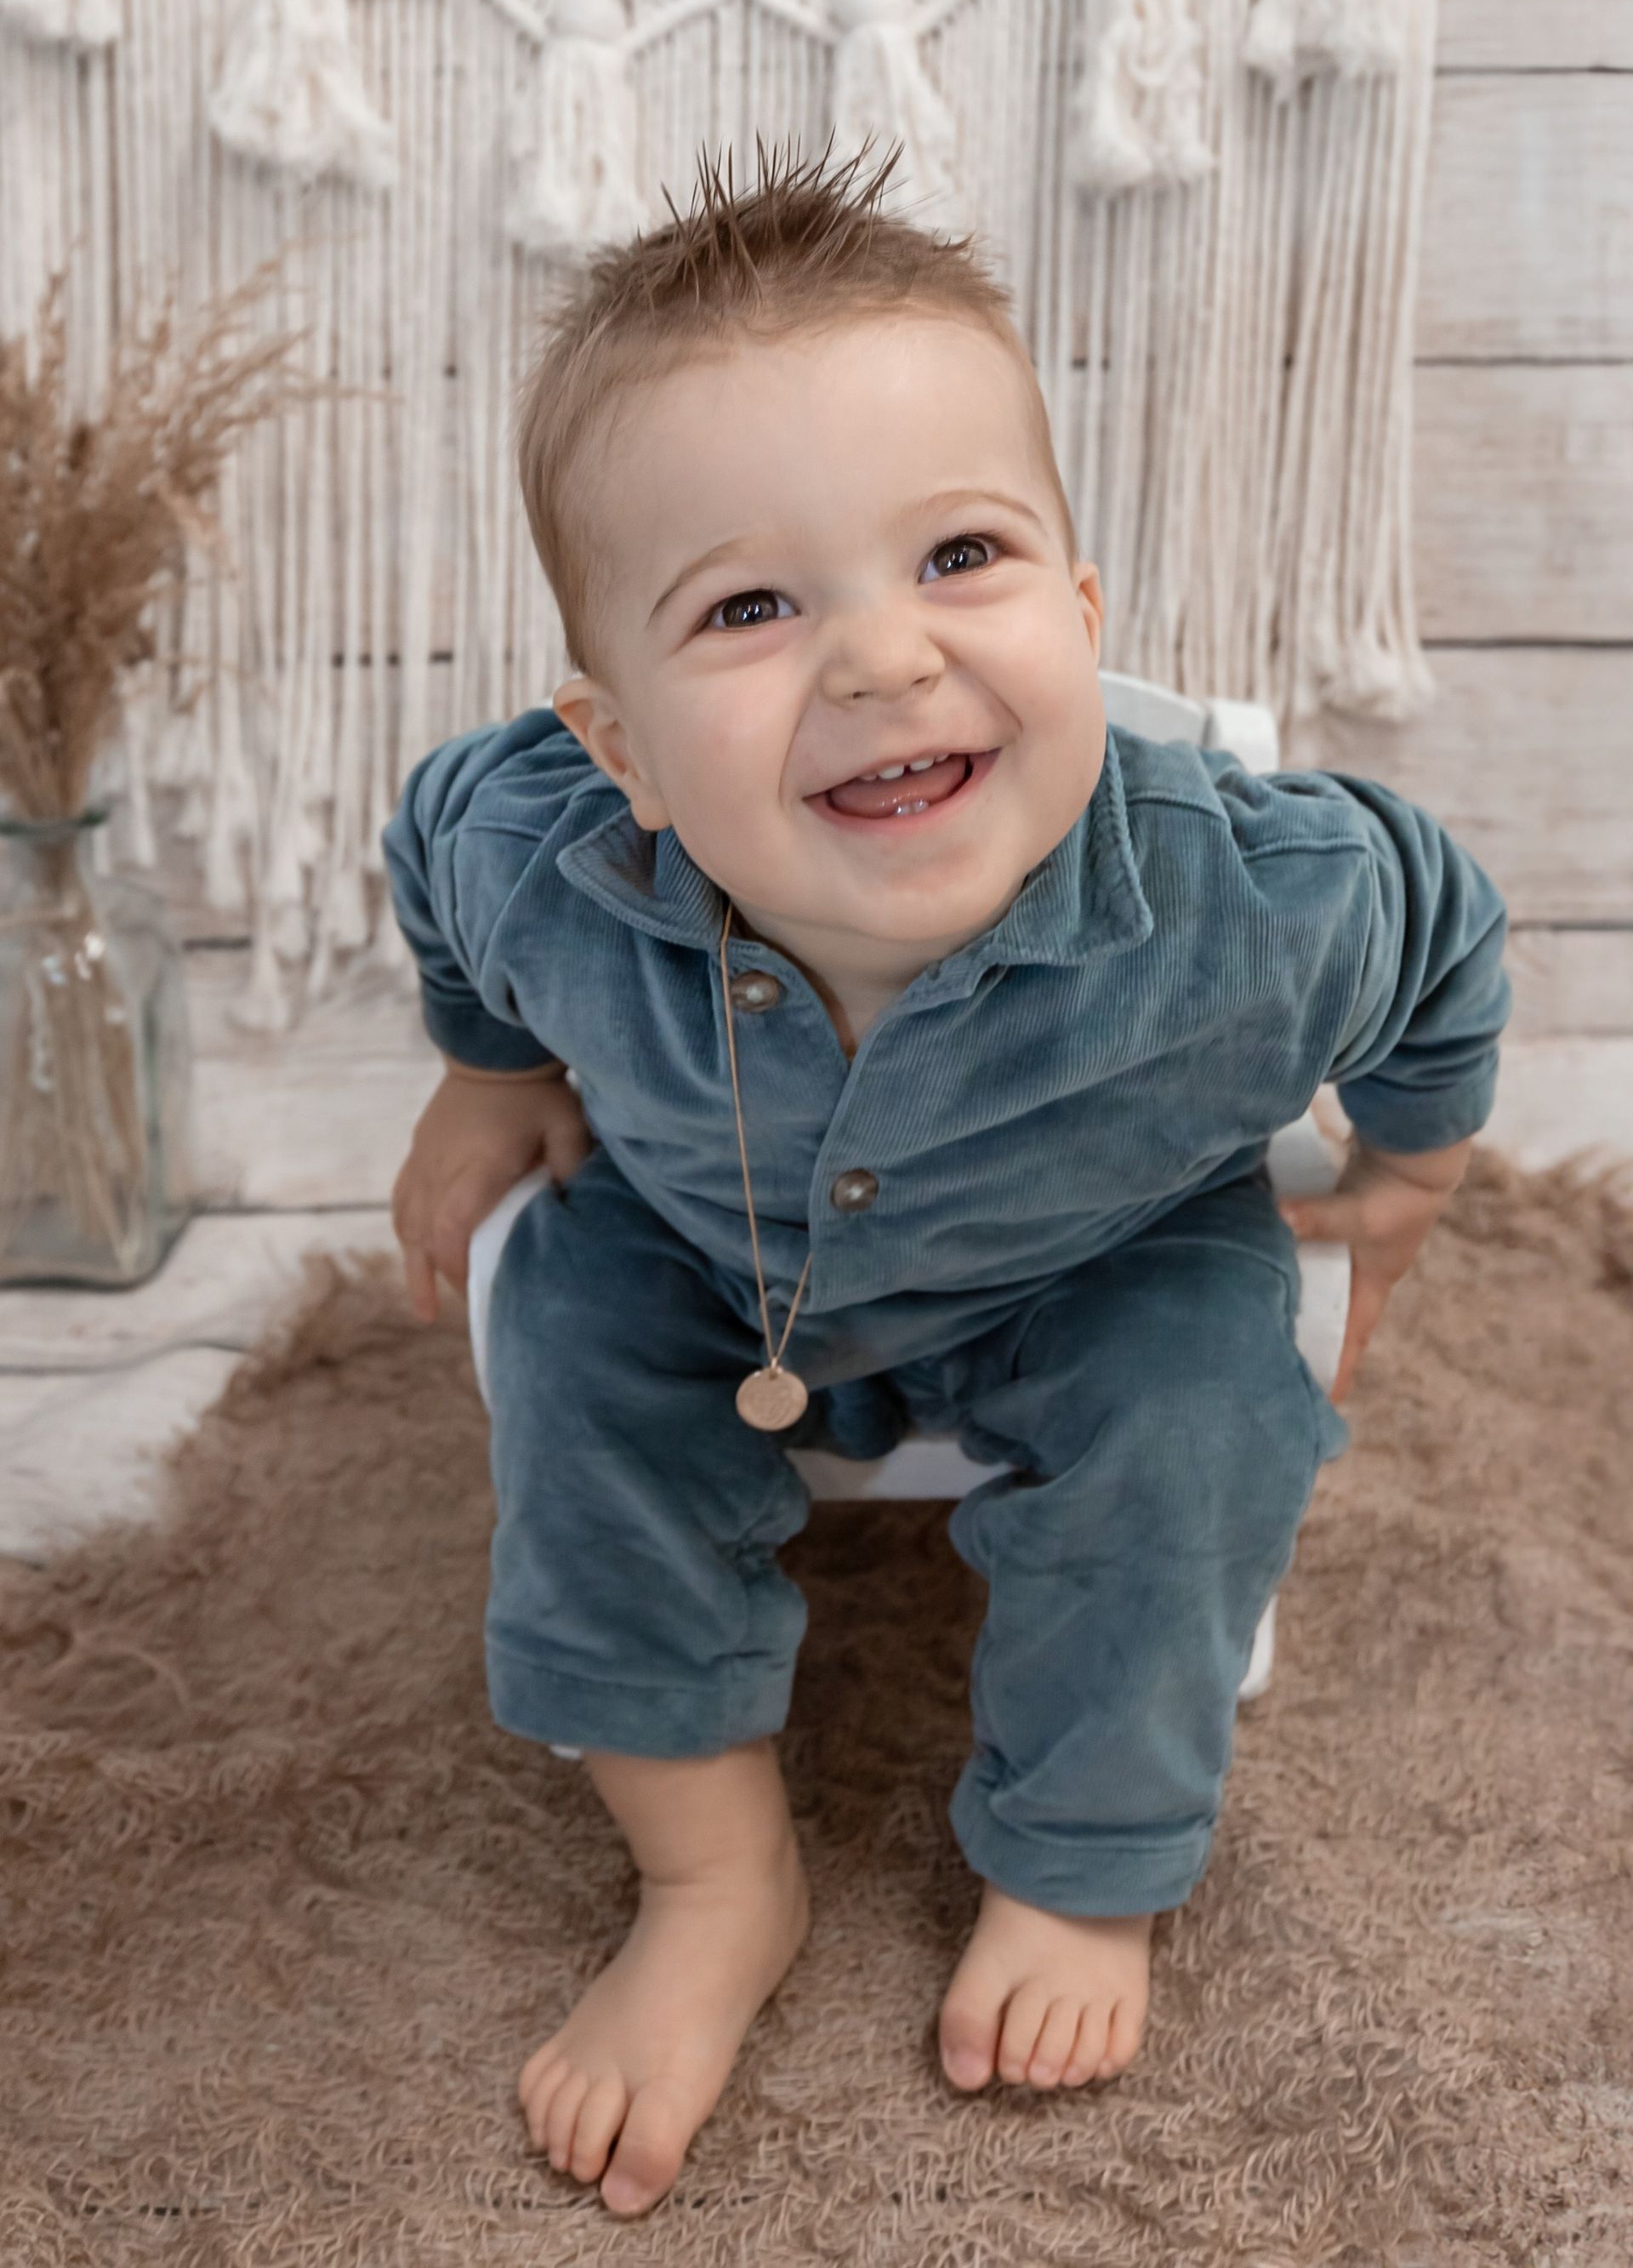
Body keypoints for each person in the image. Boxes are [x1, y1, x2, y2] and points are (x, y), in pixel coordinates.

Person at [381, 144, 1511, 2220]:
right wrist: (492, 1067)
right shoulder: (544, 844)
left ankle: (1085, 1867)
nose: (885, 660)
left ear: (1081, 612)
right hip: (707, 1236)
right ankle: (715, 1878)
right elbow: (436, 838)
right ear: (620, 744)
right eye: (749, 605)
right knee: (572, 1351)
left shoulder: (1254, 902)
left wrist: (1417, 1160)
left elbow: (1442, 925)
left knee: (1197, 1414)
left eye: (960, 556)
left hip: (1101, 1247)